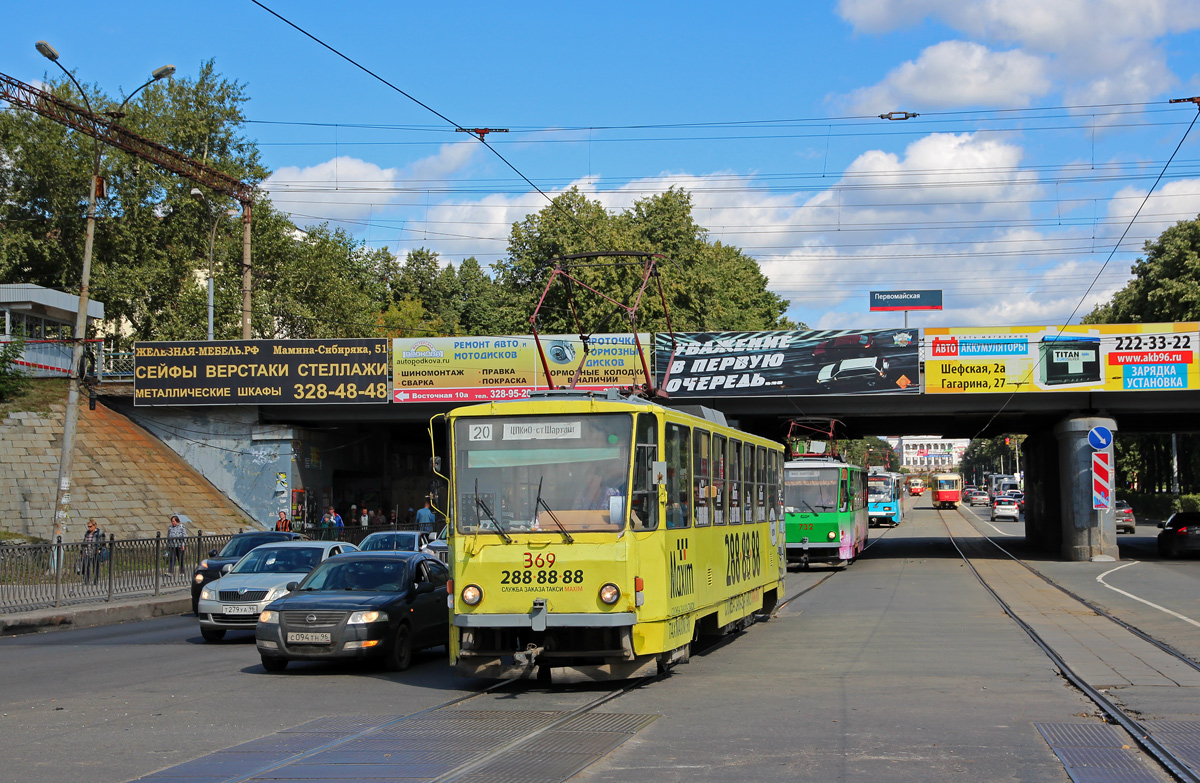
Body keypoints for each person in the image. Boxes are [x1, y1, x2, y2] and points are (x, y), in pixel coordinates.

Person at [80, 518, 104, 585]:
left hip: (95, 551)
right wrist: (81, 551)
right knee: (86, 566)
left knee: (96, 566)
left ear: (94, 526)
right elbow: (84, 542)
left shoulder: (100, 532)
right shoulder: (87, 533)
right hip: (87, 551)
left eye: (90, 526)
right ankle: (86, 580)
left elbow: (103, 542)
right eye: (88, 526)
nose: (89, 528)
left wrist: (99, 549)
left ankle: (95, 580)